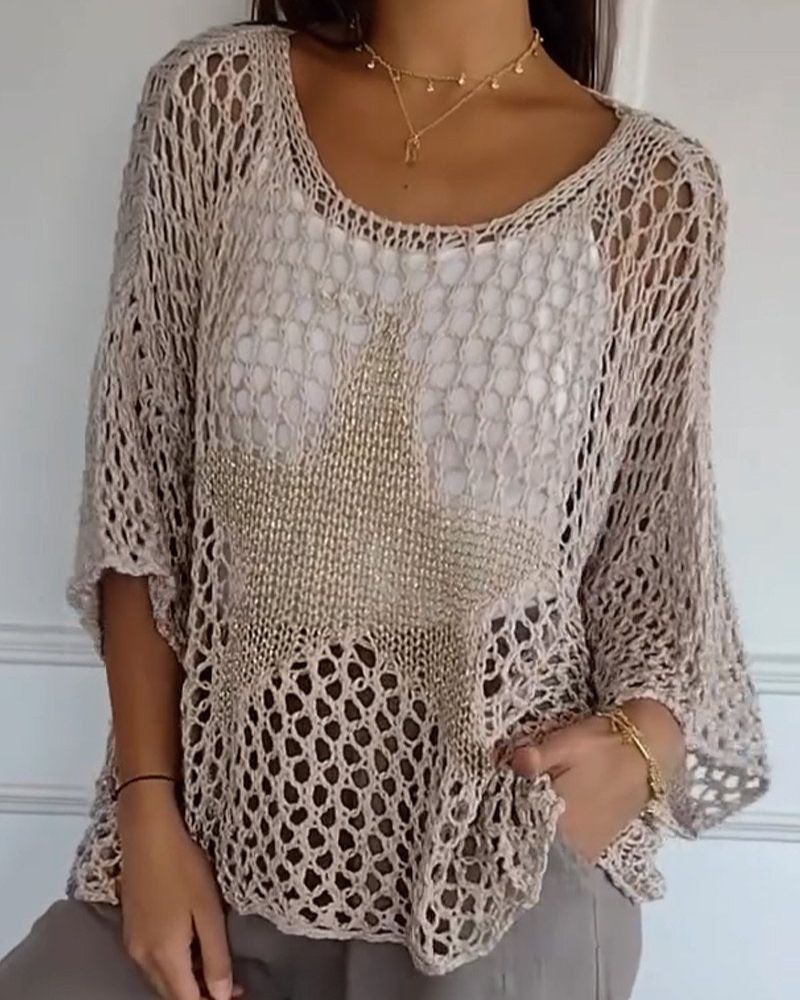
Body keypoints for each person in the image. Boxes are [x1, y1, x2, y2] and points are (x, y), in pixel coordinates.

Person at [0, 2, 770, 998]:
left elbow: (656, 560)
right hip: (210, 844)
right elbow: (136, 490)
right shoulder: (217, 103)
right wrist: (147, 805)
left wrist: (642, 744)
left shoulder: (653, 191)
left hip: (496, 870)